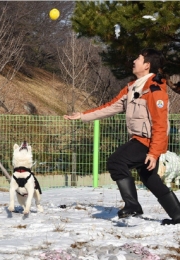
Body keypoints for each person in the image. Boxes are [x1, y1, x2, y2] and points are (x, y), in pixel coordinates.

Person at [64, 48, 180, 225]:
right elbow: (111, 106)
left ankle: (132, 206)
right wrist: (83, 115)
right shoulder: (132, 87)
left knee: (116, 162)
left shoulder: (155, 90)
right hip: (141, 141)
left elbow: (161, 124)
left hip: (147, 143)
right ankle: (178, 215)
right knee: (151, 179)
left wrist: (154, 153)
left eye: (138, 58)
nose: (134, 61)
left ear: (147, 65)